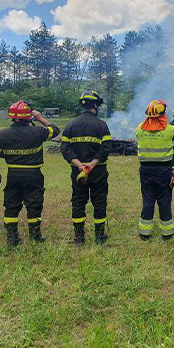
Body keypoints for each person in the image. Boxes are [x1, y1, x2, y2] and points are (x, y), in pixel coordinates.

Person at [0, 101, 60, 246]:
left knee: (11, 205)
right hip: (33, 174)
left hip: (13, 174)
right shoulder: (38, 132)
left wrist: (13, 156)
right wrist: (40, 118)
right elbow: (55, 130)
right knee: (34, 203)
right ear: (29, 116)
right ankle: (35, 236)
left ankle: (12, 237)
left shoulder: (2, 134)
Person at [61, 90, 112, 245]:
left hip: (78, 172)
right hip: (98, 171)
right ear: (95, 105)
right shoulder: (102, 125)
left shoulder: (70, 125)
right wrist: (92, 164)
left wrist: (79, 165)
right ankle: (99, 236)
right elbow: (106, 147)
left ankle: (79, 238)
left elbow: (65, 149)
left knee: (78, 201)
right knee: (99, 201)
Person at [136, 100, 174, 240]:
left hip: (146, 170)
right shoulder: (170, 130)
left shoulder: (139, 129)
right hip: (163, 170)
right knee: (164, 200)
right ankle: (166, 233)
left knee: (148, 199)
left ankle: (145, 233)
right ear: (163, 115)